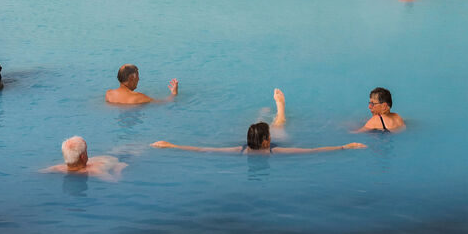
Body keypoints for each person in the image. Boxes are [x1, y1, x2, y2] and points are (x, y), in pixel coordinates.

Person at [151, 89, 367, 154]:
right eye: (269, 137)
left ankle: (267, 112)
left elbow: (203, 149)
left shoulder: (241, 150)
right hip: (274, 141)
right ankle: (279, 106)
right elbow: (311, 150)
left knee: (267, 122)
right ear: (266, 142)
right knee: (280, 123)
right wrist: (343, 146)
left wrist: (172, 145)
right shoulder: (275, 151)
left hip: (252, 142)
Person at [43, 136, 126, 181]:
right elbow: (115, 181)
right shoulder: (96, 171)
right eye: (86, 151)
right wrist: (118, 168)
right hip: (121, 158)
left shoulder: (58, 168)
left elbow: (39, 172)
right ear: (83, 156)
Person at [105, 64, 177, 104]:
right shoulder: (138, 97)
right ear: (131, 78)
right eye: (137, 76)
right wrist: (174, 94)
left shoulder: (109, 94)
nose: (138, 79)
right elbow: (164, 103)